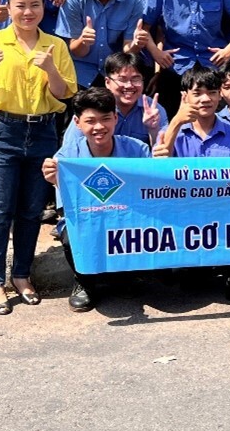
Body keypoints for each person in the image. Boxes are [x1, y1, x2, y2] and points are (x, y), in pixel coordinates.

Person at [0, 0, 78, 315]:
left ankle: (22, 275)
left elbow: (63, 94)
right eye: (21, 6)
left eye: (35, 5)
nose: (28, 12)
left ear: (43, 8)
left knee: (30, 209)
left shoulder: (55, 45)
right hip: (2, 131)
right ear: (9, 8)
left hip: (42, 132)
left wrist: (51, 68)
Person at [153, 67, 230, 312]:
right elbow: (159, 173)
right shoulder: (170, 132)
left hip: (225, 214)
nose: (206, 99)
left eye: (212, 92)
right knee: (179, 279)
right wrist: (176, 122)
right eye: (198, 93)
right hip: (184, 216)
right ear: (185, 96)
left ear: (219, 95)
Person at [43, 86, 152, 312]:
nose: (99, 127)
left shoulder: (138, 149)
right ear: (77, 122)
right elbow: (67, 208)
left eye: (105, 119)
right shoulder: (65, 157)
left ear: (115, 118)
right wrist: (55, 180)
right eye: (90, 121)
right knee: (71, 233)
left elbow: (153, 190)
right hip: (87, 218)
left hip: (128, 217)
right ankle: (84, 282)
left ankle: (126, 277)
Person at [56, 0, 147, 89]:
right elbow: (75, 50)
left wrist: (136, 44)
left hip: (113, 75)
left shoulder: (133, 1)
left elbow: (127, 49)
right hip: (79, 73)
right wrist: (83, 41)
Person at [59, 52, 167, 150]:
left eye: (136, 79)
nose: (129, 85)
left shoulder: (153, 109)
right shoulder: (91, 106)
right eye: (122, 79)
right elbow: (69, 149)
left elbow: (164, 152)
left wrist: (153, 129)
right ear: (107, 82)